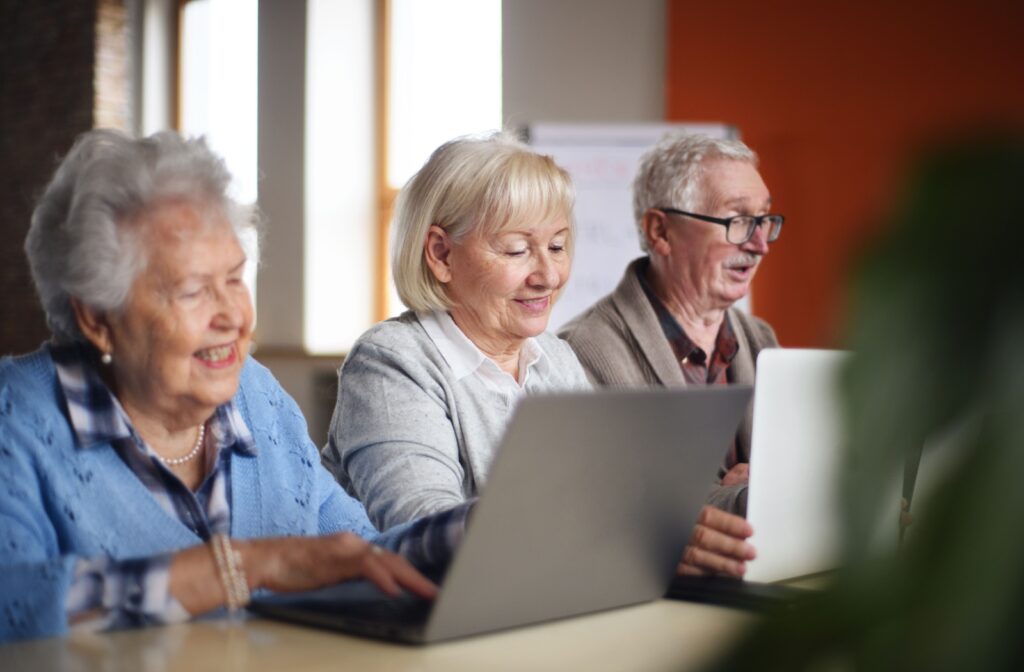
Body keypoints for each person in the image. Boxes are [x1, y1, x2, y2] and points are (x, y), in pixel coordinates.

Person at [0, 129, 460, 643]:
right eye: (194, 291)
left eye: (236, 280)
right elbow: (13, 602)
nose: (233, 317)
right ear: (97, 319)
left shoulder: (255, 396)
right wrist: (241, 569)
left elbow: (361, 556)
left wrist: (478, 530)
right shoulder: (14, 418)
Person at [323, 133, 756, 578]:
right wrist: (633, 531)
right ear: (440, 254)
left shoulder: (556, 359)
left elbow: (625, 498)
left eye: (557, 246)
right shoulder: (390, 361)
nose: (548, 276)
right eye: (517, 249)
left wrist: (748, 496)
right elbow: (424, 533)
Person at [559, 133, 783, 515]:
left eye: (764, 220)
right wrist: (753, 492)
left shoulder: (760, 339)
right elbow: (624, 510)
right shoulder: (583, 352)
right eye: (738, 220)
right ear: (660, 232)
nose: (760, 245)